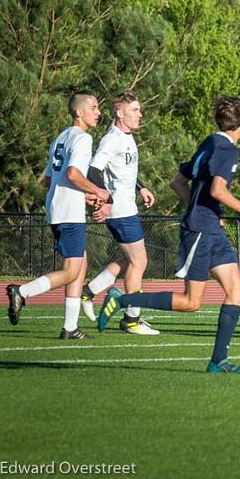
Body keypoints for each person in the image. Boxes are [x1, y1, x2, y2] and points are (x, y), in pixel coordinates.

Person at [97, 96, 240, 373]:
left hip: (209, 226)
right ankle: (122, 299)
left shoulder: (210, 142)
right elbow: (217, 190)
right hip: (200, 230)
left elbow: (177, 181)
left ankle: (218, 361)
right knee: (191, 303)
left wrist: (202, 211)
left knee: (238, 289)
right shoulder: (227, 149)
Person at [6, 92, 110, 339]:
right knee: (72, 271)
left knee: (80, 264)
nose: (98, 112)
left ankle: (70, 327)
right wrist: (97, 191)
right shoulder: (83, 138)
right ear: (79, 112)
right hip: (69, 213)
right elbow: (73, 174)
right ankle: (22, 292)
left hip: (58, 207)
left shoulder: (61, 137)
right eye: (93, 108)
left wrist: (84, 195)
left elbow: (52, 179)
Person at [80, 92, 159, 335]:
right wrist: (107, 199)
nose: (140, 114)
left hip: (127, 208)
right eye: (134, 110)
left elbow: (125, 170)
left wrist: (141, 186)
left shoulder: (127, 137)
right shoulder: (112, 139)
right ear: (119, 113)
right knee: (139, 261)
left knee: (129, 261)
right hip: (120, 211)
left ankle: (90, 291)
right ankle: (131, 319)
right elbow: (93, 171)